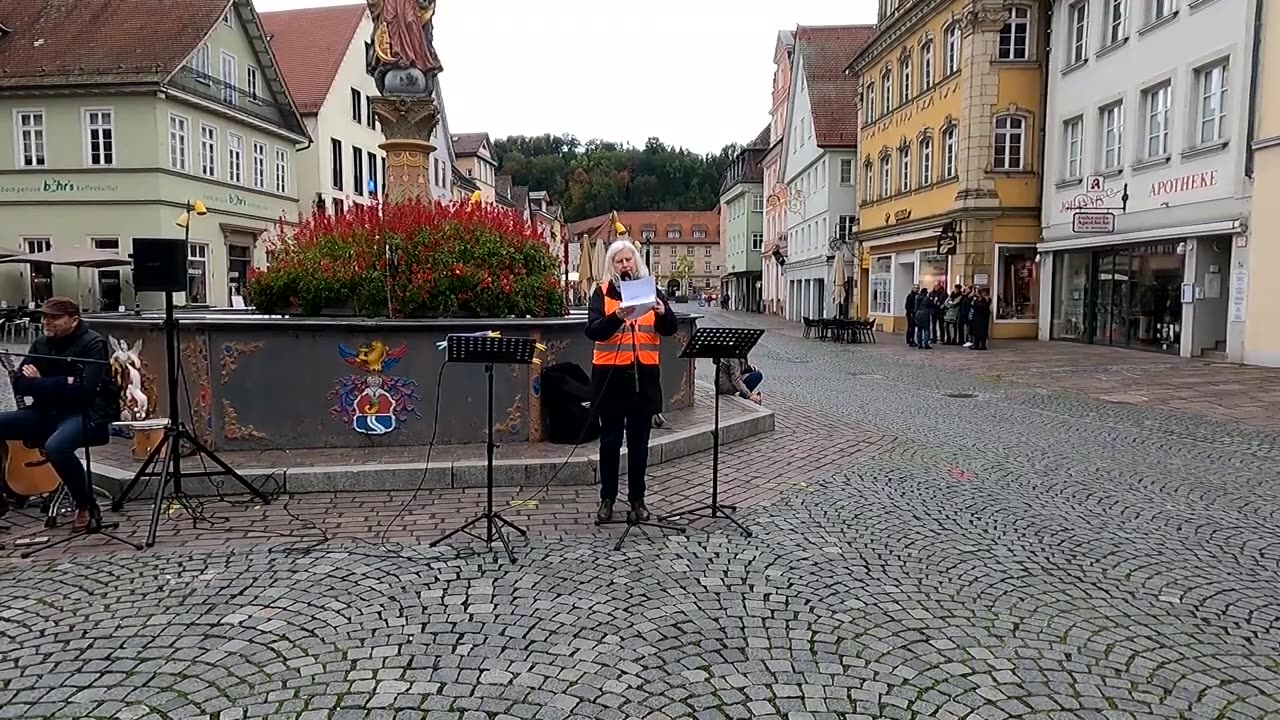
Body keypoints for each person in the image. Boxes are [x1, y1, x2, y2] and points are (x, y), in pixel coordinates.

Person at [0, 297, 117, 530]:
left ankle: (85, 504)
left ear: (74, 320)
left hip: (84, 414)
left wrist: (41, 381)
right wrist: (64, 382)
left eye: (54, 318)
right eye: (44, 317)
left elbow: (85, 390)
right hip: (44, 411)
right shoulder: (42, 343)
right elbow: (20, 384)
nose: (46, 322)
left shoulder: (93, 343)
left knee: (56, 446)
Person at [584, 240, 678, 524]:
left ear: (636, 261)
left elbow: (670, 328)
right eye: (619, 261)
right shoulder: (602, 292)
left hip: (644, 377)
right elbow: (593, 331)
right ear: (611, 265)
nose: (625, 265)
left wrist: (663, 312)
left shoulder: (650, 290)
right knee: (610, 441)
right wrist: (617, 316)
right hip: (611, 377)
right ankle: (607, 498)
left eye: (629, 260)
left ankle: (638, 499)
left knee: (639, 443)